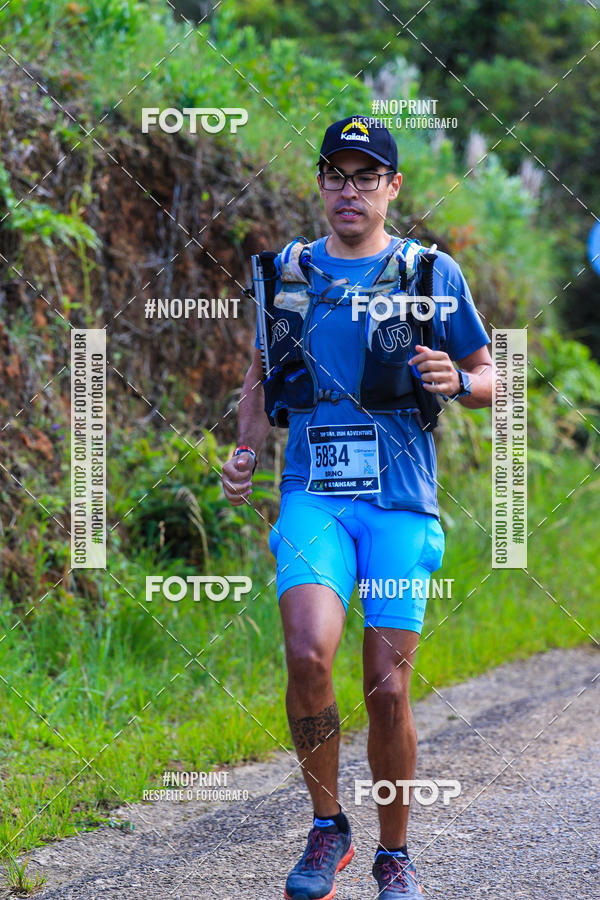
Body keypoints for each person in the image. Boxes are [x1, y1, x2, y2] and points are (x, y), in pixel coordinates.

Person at [221, 114, 493, 900]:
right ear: (320, 184)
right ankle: (326, 827)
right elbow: (260, 377)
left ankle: (394, 851)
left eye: (366, 176)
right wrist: (243, 452)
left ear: (392, 188)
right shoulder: (287, 275)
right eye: (336, 175)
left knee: (388, 685)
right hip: (314, 496)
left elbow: (490, 373)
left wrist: (458, 382)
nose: (350, 191)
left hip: (402, 508)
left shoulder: (428, 274)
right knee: (308, 654)